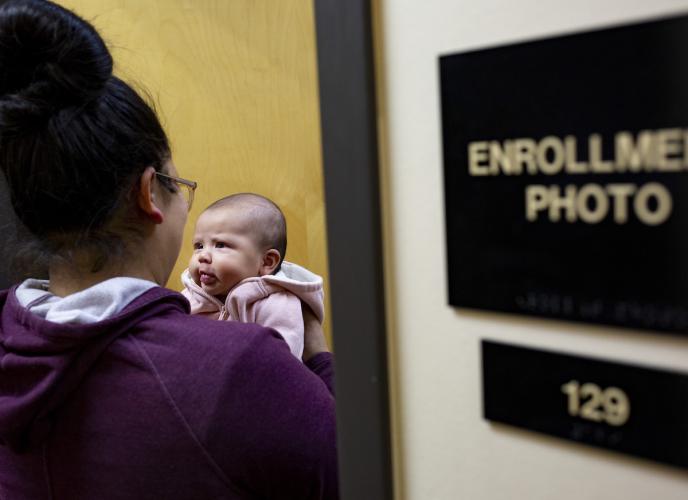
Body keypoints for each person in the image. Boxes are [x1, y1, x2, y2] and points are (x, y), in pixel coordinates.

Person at [0, 1, 338, 499]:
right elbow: (359, 470)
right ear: (149, 193)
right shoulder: (240, 371)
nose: (203, 252)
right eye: (179, 185)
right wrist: (318, 351)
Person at [181, 193, 325, 359]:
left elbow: (282, 363)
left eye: (220, 245)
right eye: (199, 246)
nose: (203, 256)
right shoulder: (188, 298)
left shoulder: (278, 304)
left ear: (266, 262)